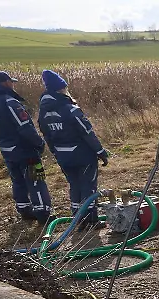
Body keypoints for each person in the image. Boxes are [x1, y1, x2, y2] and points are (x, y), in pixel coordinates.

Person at [37, 70, 110, 231]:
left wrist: (56, 153)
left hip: (63, 155)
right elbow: (87, 132)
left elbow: (46, 134)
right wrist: (100, 152)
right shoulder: (70, 108)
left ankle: (78, 219)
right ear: (60, 89)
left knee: (74, 186)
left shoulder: (43, 112)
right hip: (82, 155)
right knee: (88, 187)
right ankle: (91, 221)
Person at [0, 71, 53, 224]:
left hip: (6, 148)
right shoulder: (10, 102)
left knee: (17, 180)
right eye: (10, 82)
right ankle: (43, 213)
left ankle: (24, 210)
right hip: (25, 150)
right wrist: (39, 143)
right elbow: (25, 127)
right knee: (36, 180)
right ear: (5, 83)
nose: (13, 84)